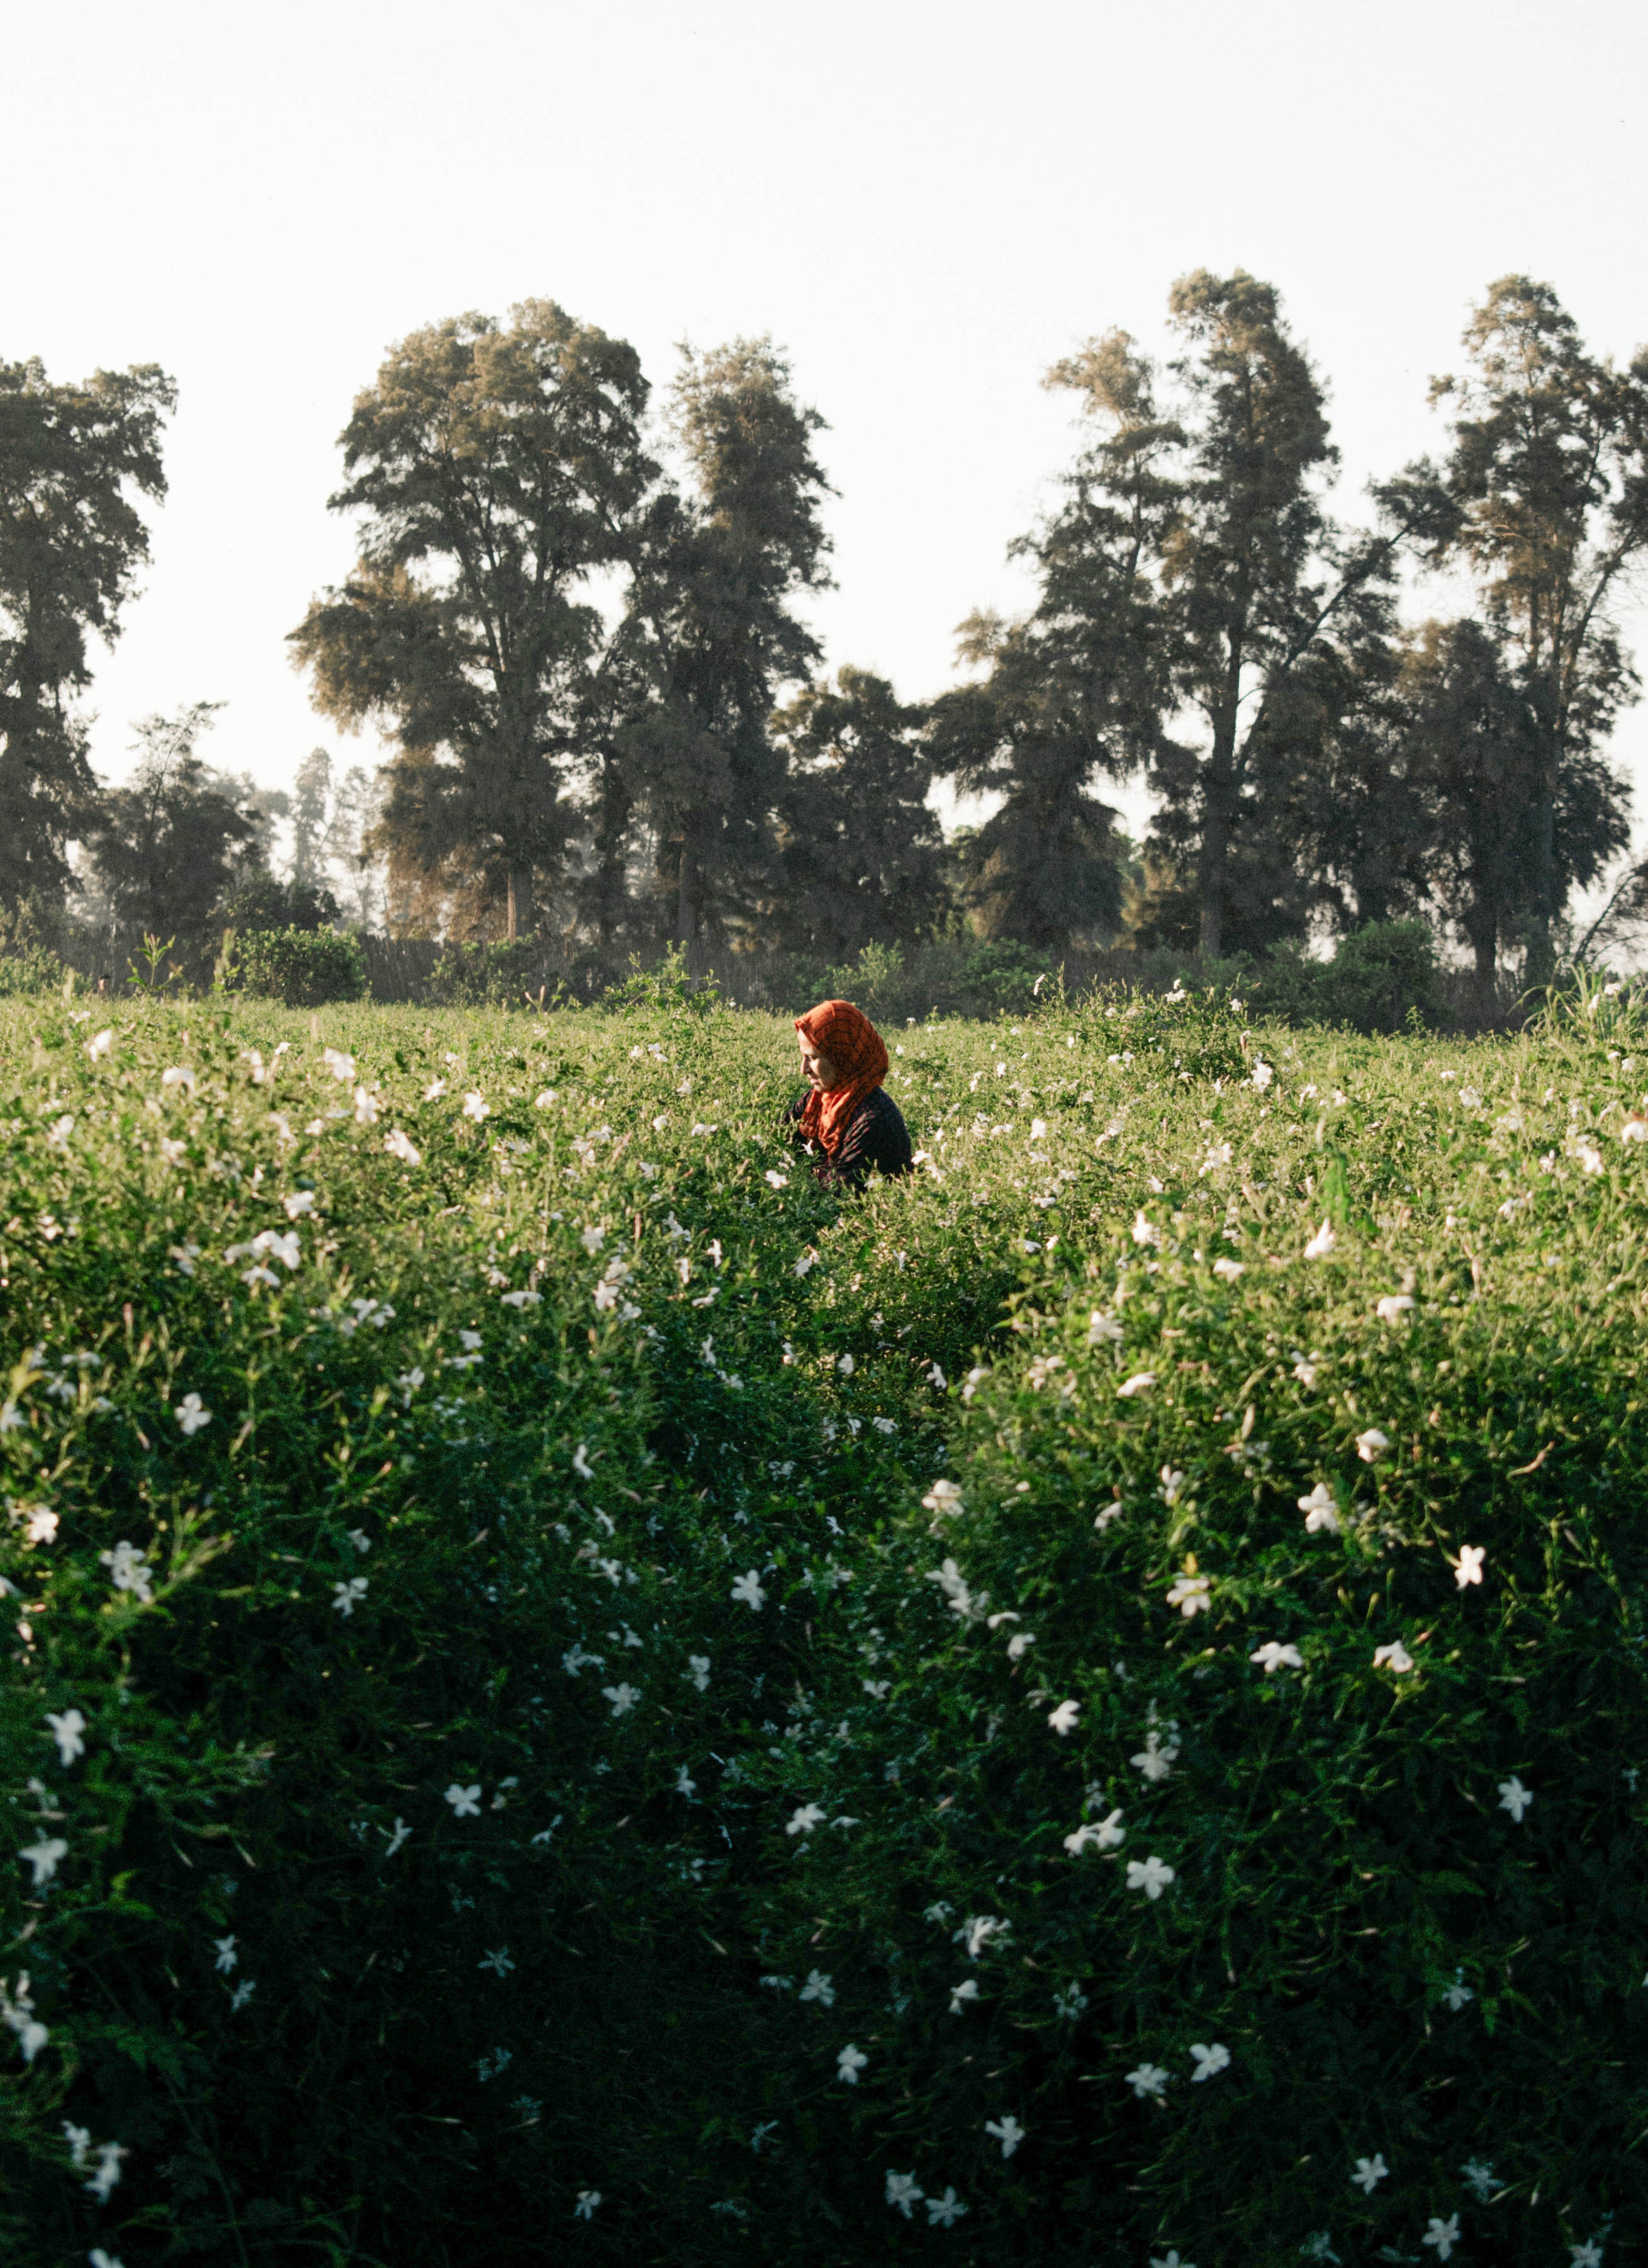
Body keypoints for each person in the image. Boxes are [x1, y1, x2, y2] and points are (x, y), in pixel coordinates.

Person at [787, 999, 912, 1191]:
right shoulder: (817, 1100)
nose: (803, 1069)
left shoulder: (873, 1120)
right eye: (803, 1057)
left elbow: (837, 1193)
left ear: (842, 1056)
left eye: (812, 1058)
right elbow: (777, 1141)